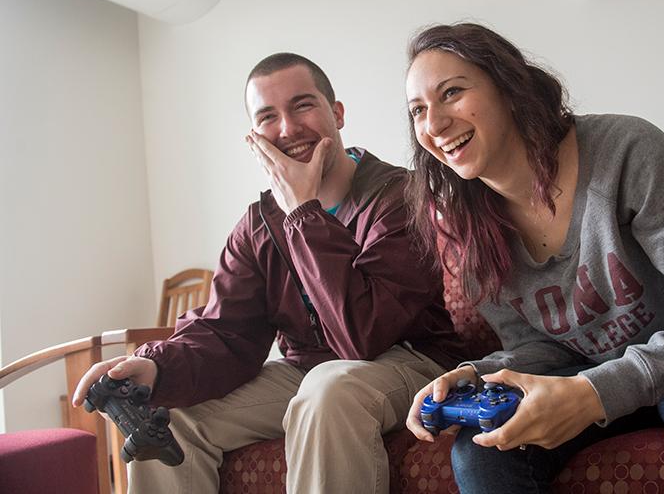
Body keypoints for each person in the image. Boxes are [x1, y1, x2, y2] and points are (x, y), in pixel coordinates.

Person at [403, 23, 664, 493]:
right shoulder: (465, 226)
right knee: (481, 452)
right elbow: (542, 348)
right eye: (418, 111)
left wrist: (595, 393)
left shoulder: (627, 150)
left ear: (509, 88)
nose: (434, 125)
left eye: (451, 93)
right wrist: (479, 374)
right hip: (576, 379)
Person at [73, 52, 466, 494]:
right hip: (310, 372)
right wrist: (154, 367)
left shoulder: (401, 197)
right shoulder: (259, 223)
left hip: (412, 361)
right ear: (254, 136)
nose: (287, 129)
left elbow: (364, 337)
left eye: (302, 105)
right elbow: (226, 332)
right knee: (175, 416)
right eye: (267, 116)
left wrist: (303, 210)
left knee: (329, 387)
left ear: (336, 113)